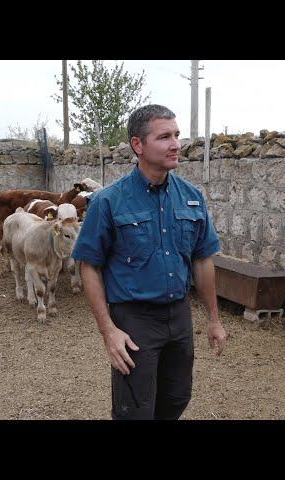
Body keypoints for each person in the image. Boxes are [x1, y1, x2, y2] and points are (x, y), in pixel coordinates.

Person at [71, 104, 227, 420]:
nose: (176, 144)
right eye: (164, 137)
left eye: (177, 135)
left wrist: (213, 318)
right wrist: (108, 331)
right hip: (134, 319)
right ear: (138, 145)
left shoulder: (191, 196)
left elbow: (202, 260)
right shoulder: (109, 201)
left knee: (177, 398)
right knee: (135, 410)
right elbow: (89, 266)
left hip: (179, 316)